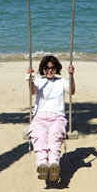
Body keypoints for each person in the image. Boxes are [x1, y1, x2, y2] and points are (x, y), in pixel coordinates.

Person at [27, 55, 75, 183]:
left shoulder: (62, 81)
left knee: (55, 136)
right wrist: (30, 78)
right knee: (40, 137)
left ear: (57, 68)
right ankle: (42, 163)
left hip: (57, 117)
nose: (49, 70)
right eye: (46, 67)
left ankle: (54, 163)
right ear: (42, 69)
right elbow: (32, 91)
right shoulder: (38, 81)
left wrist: (71, 76)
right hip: (40, 117)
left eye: (52, 67)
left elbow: (71, 91)